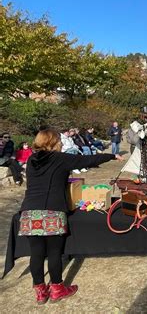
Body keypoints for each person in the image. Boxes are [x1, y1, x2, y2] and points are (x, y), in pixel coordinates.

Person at [18, 129, 123, 304]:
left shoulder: (31, 160)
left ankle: (40, 292)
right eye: (58, 140)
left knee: (36, 254)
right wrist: (112, 156)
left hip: (29, 212)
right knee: (53, 252)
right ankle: (57, 289)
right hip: (52, 211)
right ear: (53, 142)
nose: (61, 143)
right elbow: (87, 160)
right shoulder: (60, 159)